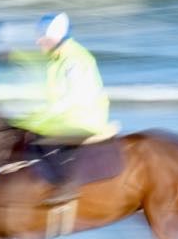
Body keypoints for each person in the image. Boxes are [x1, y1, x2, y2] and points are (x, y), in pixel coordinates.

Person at [11, 12, 112, 205]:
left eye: (43, 37)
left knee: (45, 140)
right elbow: (55, 98)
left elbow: (72, 97)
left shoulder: (74, 59)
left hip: (84, 116)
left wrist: (41, 119)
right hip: (68, 115)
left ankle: (68, 187)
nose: (38, 41)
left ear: (56, 37)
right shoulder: (57, 58)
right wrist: (33, 116)